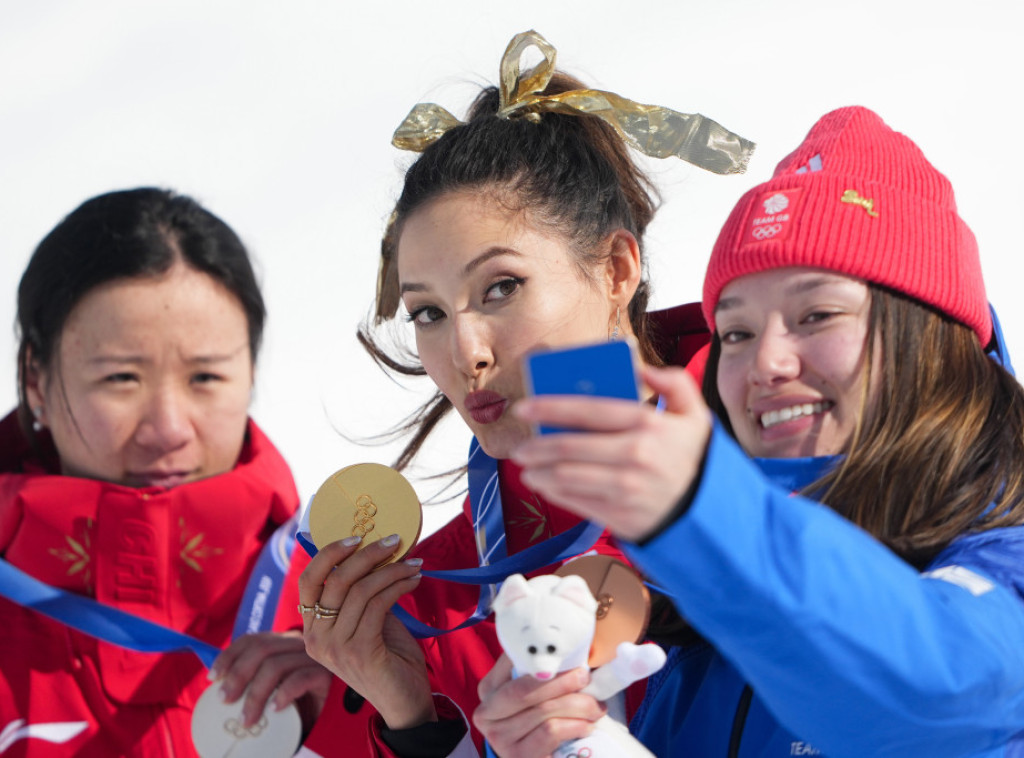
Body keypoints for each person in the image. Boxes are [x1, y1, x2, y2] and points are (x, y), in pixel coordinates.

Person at [475, 105, 1024, 757]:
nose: (765, 363)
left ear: (929, 336)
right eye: (736, 331)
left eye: (816, 314)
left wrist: (703, 511)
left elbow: (931, 693)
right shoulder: (699, 620)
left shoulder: (1004, 565)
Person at [295, 30, 753, 758]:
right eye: (428, 313)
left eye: (500, 288)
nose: (465, 353)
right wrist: (415, 721)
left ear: (615, 268)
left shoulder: (792, 460)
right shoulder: (434, 600)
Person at [0, 187, 331, 757]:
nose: (168, 428)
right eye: (121, 379)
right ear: (36, 379)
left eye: (205, 378)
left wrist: (365, 717)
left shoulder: (347, 601)